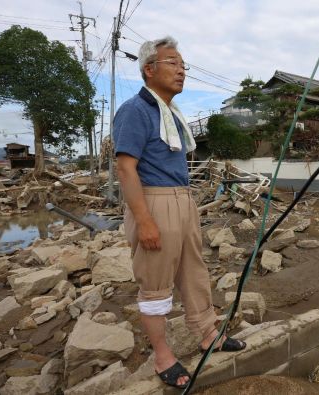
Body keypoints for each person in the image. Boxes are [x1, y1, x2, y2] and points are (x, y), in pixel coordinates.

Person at [114, 36, 245, 389]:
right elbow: (126, 169)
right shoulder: (135, 110)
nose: (181, 70)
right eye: (173, 62)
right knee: (155, 282)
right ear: (149, 69)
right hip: (154, 201)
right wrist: (144, 220)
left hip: (183, 200)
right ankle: (162, 355)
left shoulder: (170, 113)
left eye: (183, 64)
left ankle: (208, 335)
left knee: (194, 272)